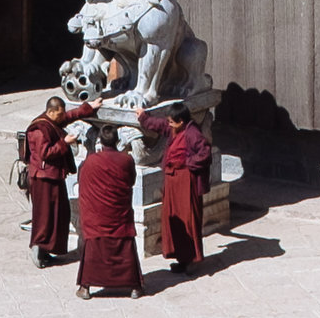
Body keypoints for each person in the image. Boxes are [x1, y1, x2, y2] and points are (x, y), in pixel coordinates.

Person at [73, 118, 141, 298]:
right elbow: (131, 181)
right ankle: (134, 286)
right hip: (118, 213)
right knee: (124, 246)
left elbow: (82, 181)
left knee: (94, 247)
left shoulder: (90, 162)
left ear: (100, 142)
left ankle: (85, 287)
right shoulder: (126, 160)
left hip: (97, 215)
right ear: (118, 141)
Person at [142, 103, 214, 273]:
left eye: (172, 122)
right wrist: (143, 118)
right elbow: (160, 126)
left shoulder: (192, 132)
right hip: (173, 181)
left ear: (181, 121)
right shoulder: (175, 129)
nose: (169, 125)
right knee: (173, 217)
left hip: (186, 180)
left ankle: (192, 260)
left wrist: (187, 163)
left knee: (188, 219)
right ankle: (181, 257)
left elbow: (205, 153)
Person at [19, 97, 77, 265]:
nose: (62, 117)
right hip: (43, 178)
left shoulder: (52, 121)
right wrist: (64, 142)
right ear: (50, 112)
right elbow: (45, 153)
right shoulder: (39, 129)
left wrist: (90, 108)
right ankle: (38, 247)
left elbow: (69, 116)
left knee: (58, 214)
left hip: (54, 175)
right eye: (59, 114)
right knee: (44, 215)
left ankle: (47, 251)